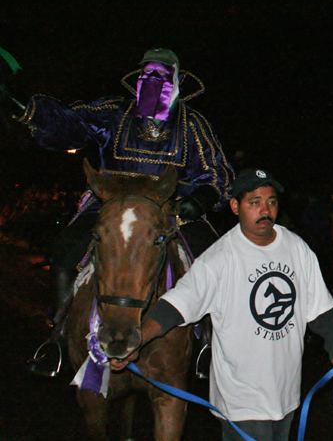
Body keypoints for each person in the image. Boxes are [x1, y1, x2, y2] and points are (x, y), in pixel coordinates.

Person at [0, 48, 234, 376]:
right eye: (147, 75)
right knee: (65, 251)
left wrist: (200, 200)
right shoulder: (113, 113)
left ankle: (211, 343)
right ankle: (58, 337)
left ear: (178, 80)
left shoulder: (192, 124)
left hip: (171, 209)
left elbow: (216, 173)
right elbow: (70, 125)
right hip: (110, 202)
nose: (154, 83)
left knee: (216, 263)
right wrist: (23, 107)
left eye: (162, 76)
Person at [110, 168, 333, 441]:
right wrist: (136, 340)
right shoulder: (220, 258)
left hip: (286, 395)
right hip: (242, 402)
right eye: (255, 202)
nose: (265, 210)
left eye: (271, 202)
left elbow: (319, 308)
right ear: (236, 207)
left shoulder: (297, 248)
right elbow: (175, 307)